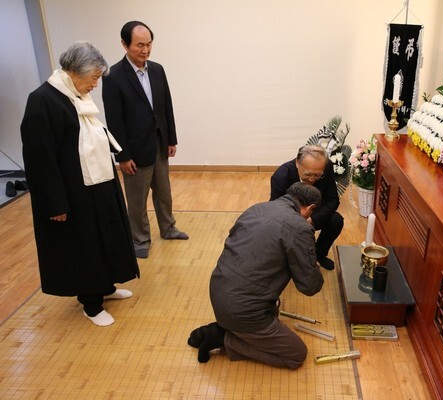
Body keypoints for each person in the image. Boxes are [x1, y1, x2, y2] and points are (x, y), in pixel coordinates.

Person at [20, 41, 139, 327]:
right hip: (72, 192)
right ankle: (91, 304)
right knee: (85, 244)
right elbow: (40, 160)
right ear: (76, 71)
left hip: (98, 182)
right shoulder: (43, 100)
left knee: (105, 236)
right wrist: (55, 203)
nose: (96, 85)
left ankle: (106, 287)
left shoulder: (77, 95)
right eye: (94, 78)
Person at [188, 182, 324, 369]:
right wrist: (309, 256)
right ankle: (223, 338)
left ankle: (230, 328)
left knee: (271, 309)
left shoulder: (257, 208)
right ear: (310, 208)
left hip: (219, 287)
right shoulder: (299, 227)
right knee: (296, 355)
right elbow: (310, 286)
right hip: (243, 309)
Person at [102, 20, 188, 259]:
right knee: (137, 199)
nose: (145, 50)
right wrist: (122, 156)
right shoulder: (113, 76)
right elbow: (114, 121)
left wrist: (171, 138)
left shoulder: (158, 70)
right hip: (134, 150)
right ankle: (140, 239)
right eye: (140, 45)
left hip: (159, 144)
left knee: (164, 192)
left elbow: (165, 107)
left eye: (149, 44)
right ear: (124, 44)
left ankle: (168, 228)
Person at [270, 145, 343, 270]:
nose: (311, 179)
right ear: (298, 163)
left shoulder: (327, 166)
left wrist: (312, 219)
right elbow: (275, 209)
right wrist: (298, 221)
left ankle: (318, 254)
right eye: (308, 174)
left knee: (336, 220)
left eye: (317, 175)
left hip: (314, 213)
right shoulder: (281, 176)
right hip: (288, 218)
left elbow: (333, 200)